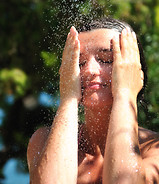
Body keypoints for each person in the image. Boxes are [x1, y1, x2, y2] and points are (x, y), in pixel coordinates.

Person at [27, 17, 159, 184]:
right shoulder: (43, 140)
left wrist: (125, 93)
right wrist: (68, 99)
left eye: (106, 59)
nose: (89, 70)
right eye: (79, 62)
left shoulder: (155, 149)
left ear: (133, 70)